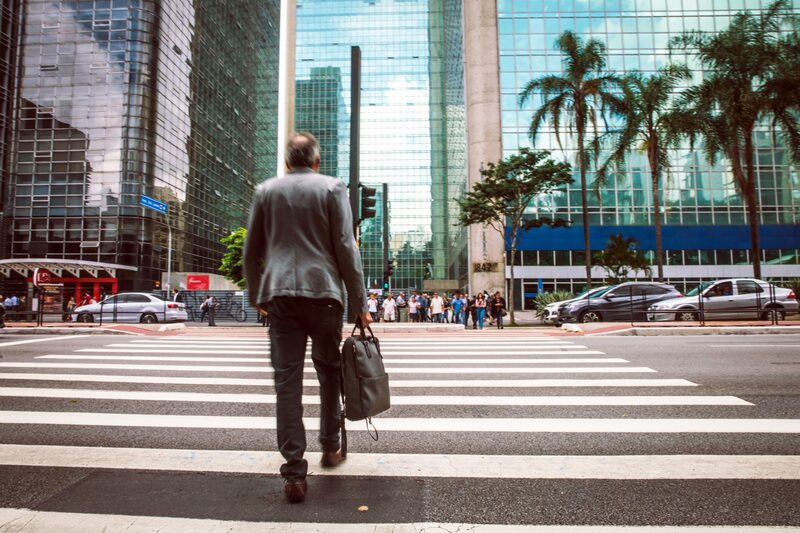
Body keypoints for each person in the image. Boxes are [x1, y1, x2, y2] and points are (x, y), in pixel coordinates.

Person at [243, 131, 371, 504]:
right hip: (324, 295)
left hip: (280, 296)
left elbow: (253, 251)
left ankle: (294, 473)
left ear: (287, 163)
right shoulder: (332, 188)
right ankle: (330, 446)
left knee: (287, 383)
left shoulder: (266, 190)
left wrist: (256, 296)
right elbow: (346, 246)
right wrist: (360, 302)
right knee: (329, 371)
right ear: (316, 161)